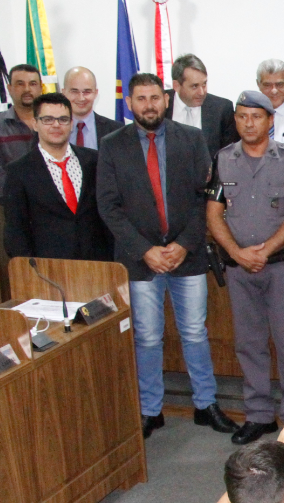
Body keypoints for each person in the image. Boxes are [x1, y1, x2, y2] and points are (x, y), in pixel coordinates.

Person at [97, 72, 236, 439]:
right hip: (140, 260)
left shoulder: (191, 139)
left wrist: (184, 244)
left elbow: (205, 197)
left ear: (166, 99)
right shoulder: (112, 145)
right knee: (146, 337)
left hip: (185, 256)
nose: (149, 105)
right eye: (141, 99)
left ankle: (206, 405)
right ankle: (150, 410)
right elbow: (108, 207)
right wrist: (145, 250)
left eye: (155, 98)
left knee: (194, 333)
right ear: (129, 103)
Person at [207, 91, 284, 446]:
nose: (248, 123)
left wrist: (264, 250)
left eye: (256, 117)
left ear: (270, 121)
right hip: (239, 269)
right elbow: (213, 213)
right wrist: (236, 252)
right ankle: (259, 415)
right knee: (249, 344)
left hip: (281, 266)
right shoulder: (223, 160)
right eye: (242, 116)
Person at [2, 92, 112, 262]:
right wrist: (31, 272)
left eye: (63, 119)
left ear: (71, 124)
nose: (56, 125)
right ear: (35, 124)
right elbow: (16, 231)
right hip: (47, 271)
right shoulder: (19, 171)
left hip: (97, 266)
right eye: (47, 119)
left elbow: (109, 213)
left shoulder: (95, 161)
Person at [0, 64, 43, 201]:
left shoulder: (53, 122)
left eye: (32, 84)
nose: (27, 89)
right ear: (10, 89)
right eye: (20, 84)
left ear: (40, 87)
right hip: (16, 205)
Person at [164, 54, 238, 158]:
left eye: (204, 84)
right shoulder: (160, 105)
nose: (202, 92)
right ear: (176, 85)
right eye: (194, 86)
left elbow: (229, 157)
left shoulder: (222, 109)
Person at [60, 66, 120, 150]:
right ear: (64, 93)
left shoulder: (116, 130)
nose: (81, 98)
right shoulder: (52, 129)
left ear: (96, 93)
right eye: (74, 91)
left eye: (87, 92)